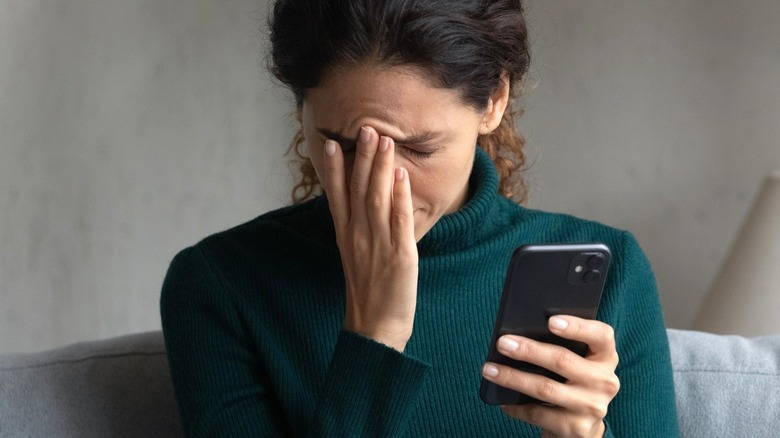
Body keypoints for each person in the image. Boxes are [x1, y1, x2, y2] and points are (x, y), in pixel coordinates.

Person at [160, 0, 679, 436]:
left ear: (494, 102)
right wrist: (374, 333)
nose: (387, 186)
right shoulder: (221, 284)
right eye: (343, 145)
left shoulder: (613, 269)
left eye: (419, 148)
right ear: (301, 110)